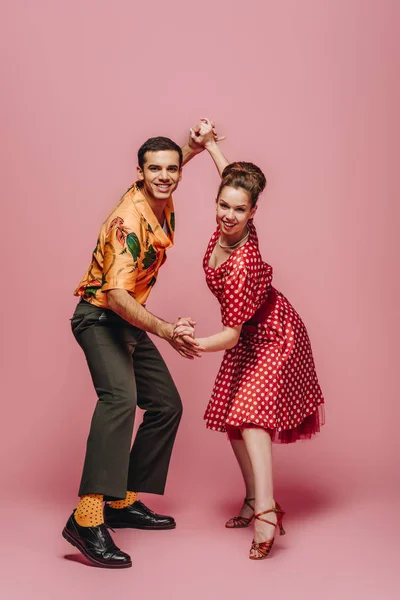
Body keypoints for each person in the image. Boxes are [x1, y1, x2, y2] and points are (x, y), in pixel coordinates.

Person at [62, 120, 221, 569]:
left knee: (167, 404)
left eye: (172, 169)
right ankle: (87, 518)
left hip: (126, 318)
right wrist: (168, 330)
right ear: (140, 171)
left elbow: (170, 163)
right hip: (99, 317)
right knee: (120, 399)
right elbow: (114, 295)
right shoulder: (125, 221)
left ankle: (122, 501)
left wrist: (192, 146)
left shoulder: (160, 189)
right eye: (156, 170)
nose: (165, 176)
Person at [174, 127, 325, 560]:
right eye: (223, 204)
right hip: (250, 332)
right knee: (233, 423)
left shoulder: (244, 264)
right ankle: (251, 499)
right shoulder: (233, 215)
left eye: (239, 210)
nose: (228, 215)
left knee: (252, 416)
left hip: (275, 335)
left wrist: (190, 343)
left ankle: (266, 512)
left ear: (253, 212)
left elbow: (231, 335)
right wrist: (210, 145)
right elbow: (234, 178)